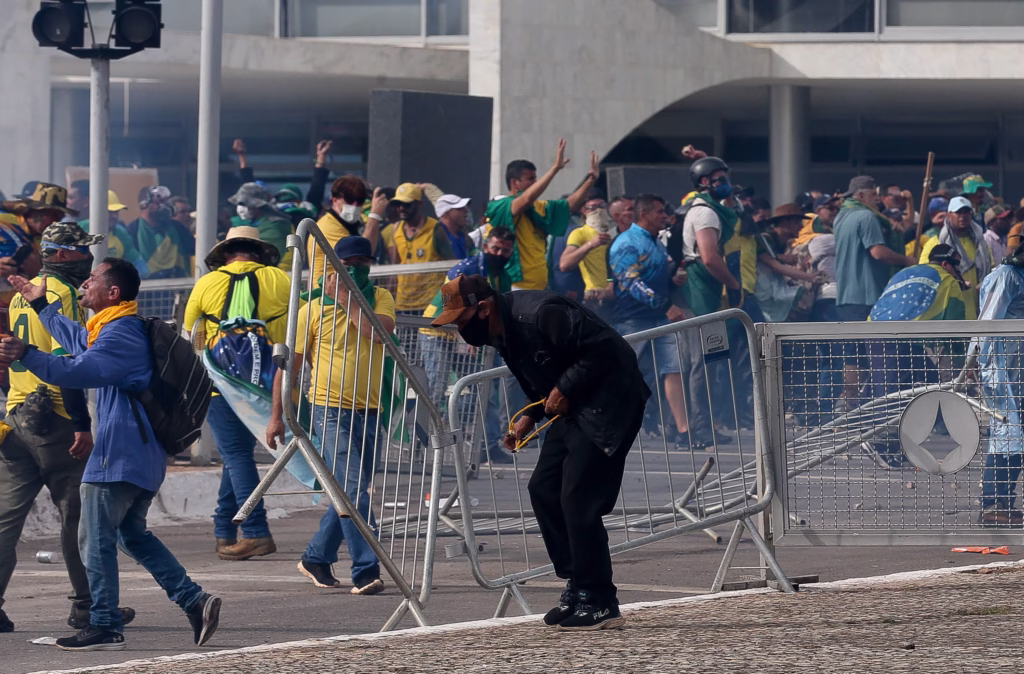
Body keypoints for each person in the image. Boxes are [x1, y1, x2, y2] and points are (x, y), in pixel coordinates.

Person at [0, 259, 221, 650]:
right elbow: (79, 341)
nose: (85, 284)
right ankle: (193, 600)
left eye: (92, 279)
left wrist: (27, 353)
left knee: (94, 538)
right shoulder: (113, 328)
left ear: (113, 292)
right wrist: (41, 305)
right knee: (131, 535)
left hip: (119, 456)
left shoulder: (120, 335)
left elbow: (77, 370)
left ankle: (104, 624)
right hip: (138, 455)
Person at [429, 274, 649, 630]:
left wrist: (563, 388)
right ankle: (579, 582)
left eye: (462, 321)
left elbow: (606, 350)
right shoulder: (500, 329)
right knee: (544, 490)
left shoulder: (542, 313)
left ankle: (600, 600)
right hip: (576, 405)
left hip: (610, 403)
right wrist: (530, 415)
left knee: (578, 498)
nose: (460, 330)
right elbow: (541, 374)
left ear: (483, 308)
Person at [0, 223, 137, 634]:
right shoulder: (59, 294)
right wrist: (81, 423)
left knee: (6, 519)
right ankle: (89, 607)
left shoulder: (20, 295)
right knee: (79, 516)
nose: (89, 259)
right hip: (56, 416)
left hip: (17, 414)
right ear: (62, 254)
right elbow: (71, 361)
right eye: (82, 251)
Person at [267, 236, 392, 595]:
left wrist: (347, 300)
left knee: (350, 492)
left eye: (362, 263)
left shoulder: (380, 298)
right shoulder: (311, 309)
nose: (355, 270)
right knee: (351, 490)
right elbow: (289, 368)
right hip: (330, 409)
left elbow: (378, 333)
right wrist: (277, 416)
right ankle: (365, 570)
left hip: (371, 410)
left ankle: (316, 557)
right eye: (347, 264)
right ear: (334, 267)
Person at [184, 228, 289, 561]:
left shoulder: (207, 283)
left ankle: (256, 532)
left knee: (235, 455)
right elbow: (294, 330)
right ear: (258, 253)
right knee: (238, 454)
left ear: (226, 254)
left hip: (220, 383)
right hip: (267, 382)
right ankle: (224, 530)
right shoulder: (281, 279)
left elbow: (191, 333)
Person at [609, 194, 715, 448]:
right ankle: (606, 428)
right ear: (643, 214)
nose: (665, 216)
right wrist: (666, 305)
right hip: (632, 320)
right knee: (621, 375)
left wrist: (673, 280)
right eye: (659, 212)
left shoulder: (656, 241)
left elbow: (660, 275)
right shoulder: (625, 243)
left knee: (674, 370)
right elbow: (631, 282)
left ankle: (683, 431)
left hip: (660, 318)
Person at [864, 244, 968, 467]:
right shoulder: (948, 281)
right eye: (956, 267)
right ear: (946, 264)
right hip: (901, 339)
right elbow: (957, 329)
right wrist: (965, 362)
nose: (957, 272)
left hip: (875, 332)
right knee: (895, 395)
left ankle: (900, 444)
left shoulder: (905, 272)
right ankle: (880, 443)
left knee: (925, 386)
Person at [420, 227, 517, 464]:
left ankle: (488, 445)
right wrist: (465, 335)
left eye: (505, 250)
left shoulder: (503, 273)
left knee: (483, 388)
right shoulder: (467, 268)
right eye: (495, 248)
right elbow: (451, 303)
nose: (499, 254)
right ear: (485, 246)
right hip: (439, 330)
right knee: (437, 387)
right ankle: (419, 442)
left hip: (471, 335)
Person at [484, 139, 600, 291]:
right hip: (513, 285)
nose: (536, 182)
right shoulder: (500, 206)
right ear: (515, 182)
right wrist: (554, 169)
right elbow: (525, 200)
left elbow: (568, 206)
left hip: (539, 285)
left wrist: (591, 180)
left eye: (536, 178)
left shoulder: (538, 206)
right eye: (530, 179)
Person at [976, 241, 1024, 525]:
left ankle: (1004, 503)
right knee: (1007, 434)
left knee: (1017, 437)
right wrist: (973, 360)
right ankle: (992, 504)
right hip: (999, 368)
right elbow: (987, 320)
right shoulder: (1007, 275)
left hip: (1018, 371)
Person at [833, 175, 915, 322]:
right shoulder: (867, 216)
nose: (877, 199)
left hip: (845, 295)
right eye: (873, 195)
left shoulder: (840, 216)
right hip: (866, 296)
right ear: (860, 195)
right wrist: (907, 260)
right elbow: (878, 252)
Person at [680, 156, 742, 317]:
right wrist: (733, 284)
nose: (726, 184)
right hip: (700, 282)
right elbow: (709, 259)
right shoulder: (704, 212)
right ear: (705, 181)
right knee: (706, 330)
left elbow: (733, 208)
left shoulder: (712, 209)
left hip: (706, 280)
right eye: (721, 179)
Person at [918, 196, 994, 320]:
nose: (963, 216)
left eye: (966, 212)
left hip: (977, 311)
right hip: (948, 311)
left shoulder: (981, 243)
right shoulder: (935, 243)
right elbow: (925, 275)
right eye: (958, 212)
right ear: (949, 215)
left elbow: (991, 269)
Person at [386, 183, 458, 311]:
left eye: (407, 204)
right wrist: (388, 299)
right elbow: (395, 265)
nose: (401, 208)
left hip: (429, 304)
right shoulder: (396, 229)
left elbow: (451, 265)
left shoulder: (435, 229)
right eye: (398, 204)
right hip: (403, 304)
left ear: (419, 204)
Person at [311, 176, 386, 284]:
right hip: (326, 290)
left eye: (360, 200)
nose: (355, 204)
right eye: (349, 199)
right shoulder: (327, 226)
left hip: (344, 287)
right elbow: (362, 253)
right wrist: (374, 215)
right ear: (335, 200)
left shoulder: (352, 223)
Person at [560, 196, 615, 316]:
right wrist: (590, 244)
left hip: (619, 294)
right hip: (596, 295)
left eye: (602, 206)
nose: (598, 210)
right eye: (592, 207)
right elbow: (564, 264)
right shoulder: (580, 233)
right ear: (584, 211)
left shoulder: (616, 231)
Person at [123, 186, 193, 279]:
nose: (164, 206)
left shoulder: (177, 227)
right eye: (159, 202)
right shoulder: (132, 230)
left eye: (165, 202)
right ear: (144, 205)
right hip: (146, 285)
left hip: (177, 283)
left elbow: (193, 249)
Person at [228, 183, 292, 271]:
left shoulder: (274, 226)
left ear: (257, 205)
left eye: (243, 203)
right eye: (238, 204)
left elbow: (267, 257)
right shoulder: (251, 223)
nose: (240, 208)